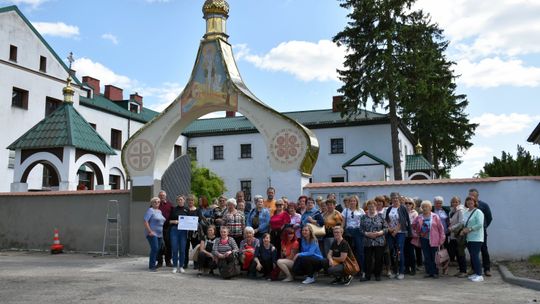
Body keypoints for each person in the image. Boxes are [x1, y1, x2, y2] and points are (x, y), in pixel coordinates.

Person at [411, 200, 446, 278]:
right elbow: (412, 226)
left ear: (430, 208)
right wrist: (416, 234)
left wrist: (441, 239)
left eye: (427, 207)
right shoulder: (419, 217)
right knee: (427, 256)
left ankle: (435, 272)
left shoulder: (435, 216)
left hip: (434, 239)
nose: (425, 208)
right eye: (423, 207)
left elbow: (441, 229)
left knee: (434, 256)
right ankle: (428, 272)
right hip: (423, 239)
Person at [385, 192, 411, 280]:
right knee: (392, 251)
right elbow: (387, 220)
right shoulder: (389, 209)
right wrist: (389, 229)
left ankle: (401, 272)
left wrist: (395, 231)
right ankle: (395, 271)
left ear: (399, 198)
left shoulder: (402, 208)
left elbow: (403, 221)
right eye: (393, 198)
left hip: (400, 232)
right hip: (391, 233)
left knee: (400, 251)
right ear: (391, 199)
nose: (395, 199)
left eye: (396, 198)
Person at [360, 200, 387, 281]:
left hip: (379, 241)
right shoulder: (363, 217)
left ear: (376, 207)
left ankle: (377, 275)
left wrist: (379, 233)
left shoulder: (381, 216)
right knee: (367, 259)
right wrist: (367, 234)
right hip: (367, 241)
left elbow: (386, 228)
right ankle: (367, 276)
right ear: (367, 207)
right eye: (369, 206)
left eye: (373, 206)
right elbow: (360, 229)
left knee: (378, 259)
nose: (371, 208)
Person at [468, 188, 492, 277]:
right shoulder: (467, 206)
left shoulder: (484, 205)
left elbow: (489, 218)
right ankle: (473, 268)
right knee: (472, 251)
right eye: (470, 195)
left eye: (473, 195)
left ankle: (487, 269)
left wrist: (483, 227)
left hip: (481, 233)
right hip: (470, 233)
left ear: (477, 196)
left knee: (484, 249)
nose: (471, 197)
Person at [461, 195, 485, 282]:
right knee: (472, 256)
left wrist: (470, 229)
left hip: (477, 238)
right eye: (468, 201)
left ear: (475, 202)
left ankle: (479, 275)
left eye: (471, 201)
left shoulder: (478, 212)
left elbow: (480, 224)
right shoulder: (466, 211)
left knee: (475, 256)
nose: (469, 202)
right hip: (469, 238)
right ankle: (476, 273)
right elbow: (464, 223)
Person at [342, 195, 365, 276]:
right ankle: (351, 269)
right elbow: (343, 223)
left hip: (358, 231)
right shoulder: (346, 210)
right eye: (351, 201)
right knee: (350, 252)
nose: (352, 202)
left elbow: (363, 222)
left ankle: (361, 269)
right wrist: (341, 231)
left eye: (354, 201)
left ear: (357, 202)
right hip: (349, 231)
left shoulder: (361, 210)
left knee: (360, 251)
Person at [143, 197, 166, 271]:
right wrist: (150, 231)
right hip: (152, 234)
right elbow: (145, 221)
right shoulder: (150, 210)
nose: (157, 203)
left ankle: (153, 263)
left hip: (160, 234)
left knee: (158, 249)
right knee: (155, 248)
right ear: (152, 203)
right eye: (155, 202)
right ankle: (152, 266)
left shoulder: (159, 211)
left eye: (158, 202)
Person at [169, 195, 188, 274]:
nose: (180, 201)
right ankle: (174, 267)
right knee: (174, 249)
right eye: (178, 200)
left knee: (182, 250)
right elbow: (169, 221)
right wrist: (174, 222)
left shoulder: (187, 209)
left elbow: (190, 221)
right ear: (177, 201)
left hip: (183, 231)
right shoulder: (173, 209)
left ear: (184, 201)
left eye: (181, 199)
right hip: (174, 230)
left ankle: (181, 266)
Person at [448, 196, 466, 277]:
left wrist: (452, 228)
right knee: (452, 250)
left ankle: (463, 271)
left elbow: (462, 222)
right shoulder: (452, 211)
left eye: (456, 202)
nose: (454, 203)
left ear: (459, 202)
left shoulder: (460, 211)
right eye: (453, 202)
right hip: (453, 235)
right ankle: (460, 269)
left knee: (460, 253)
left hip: (459, 235)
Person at [185, 194, 204, 269]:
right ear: (187, 201)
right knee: (185, 248)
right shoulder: (185, 209)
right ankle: (185, 263)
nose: (190, 201)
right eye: (189, 200)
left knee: (195, 248)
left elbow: (200, 220)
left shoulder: (198, 210)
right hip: (186, 232)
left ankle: (196, 264)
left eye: (192, 200)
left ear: (194, 201)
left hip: (195, 232)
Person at [157, 190, 173, 267]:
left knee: (168, 244)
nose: (162, 197)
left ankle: (168, 261)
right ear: (158, 196)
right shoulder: (155, 204)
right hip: (157, 228)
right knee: (158, 245)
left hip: (167, 228)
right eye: (160, 195)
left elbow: (173, 215)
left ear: (165, 196)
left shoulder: (170, 205)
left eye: (163, 195)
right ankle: (159, 262)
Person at [404, 197, 418, 275]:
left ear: (413, 205)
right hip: (403, 234)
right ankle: (406, 268)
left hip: (411, 235)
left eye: (409, 203)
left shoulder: (414, 213)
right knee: (404, 252)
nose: (408, 204)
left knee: (411, 252)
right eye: (406, 203)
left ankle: (413, 268)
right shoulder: (402, 211)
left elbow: (414, 223)